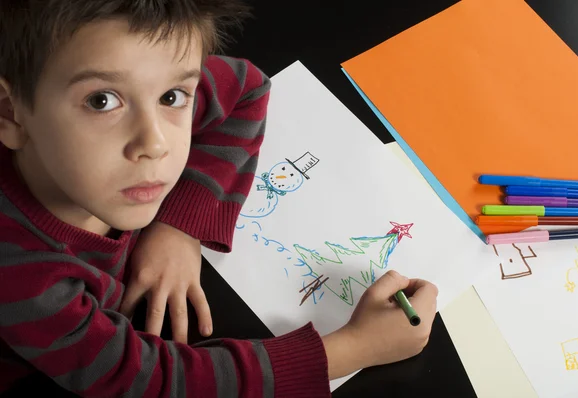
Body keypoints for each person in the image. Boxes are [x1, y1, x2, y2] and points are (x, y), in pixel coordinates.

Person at [0, 0, 439, 396]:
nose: (155, 143)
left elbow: (246, 90)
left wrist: (178, 227)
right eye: (101, 101)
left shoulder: (140, 78)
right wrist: (353, 349)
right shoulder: (22, 276)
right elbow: (147, 381)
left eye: (173, 97)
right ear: (11, 113)